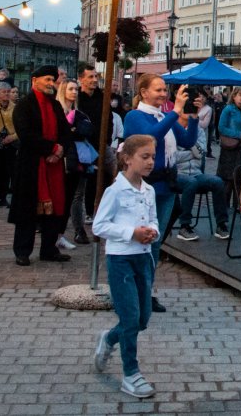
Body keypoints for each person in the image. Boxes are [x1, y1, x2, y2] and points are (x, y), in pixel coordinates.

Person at [92, 134, 160, 399]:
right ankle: (131, 374)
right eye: (145, 157)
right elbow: (99, 225)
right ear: (127, 158)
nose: (150, 162)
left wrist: (151, 231)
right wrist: (130, 232)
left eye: (153, 157)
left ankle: (108, 338)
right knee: (130, 318)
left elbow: (154, 219)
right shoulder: (115, 191)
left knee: (142, 319)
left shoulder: (150, 190)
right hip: (121, 260)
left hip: (144, 259)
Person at [124, 75, 201, 308]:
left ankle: (145, 292)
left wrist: (194, 117)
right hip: (143, 187)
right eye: (158, 90)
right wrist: (175, 111)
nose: (163, 94)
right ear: (144, 92)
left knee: (155, 242)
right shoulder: (134, 116)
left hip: (165, 187)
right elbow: (151, 137)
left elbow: (187, 141)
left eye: (164, 90)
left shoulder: (163, 116)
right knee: (139, 240)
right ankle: (131, 291)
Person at [9, 65, 76, 267]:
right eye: (47, 79)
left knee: (55, 208)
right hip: (31, 164)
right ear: (34, 80)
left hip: (53, 165)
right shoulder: (24, 105)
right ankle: (22, 251)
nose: (50, 84)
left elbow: (65, 132)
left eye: (52, 80)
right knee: (27, 211)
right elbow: (26, 134)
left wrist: (60, 150)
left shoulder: (55, 106)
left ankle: (49, 249)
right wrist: (51, 148)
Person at [174, 91, 230, 242]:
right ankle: (184, 225)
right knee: (190, 184)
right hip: (177, 174)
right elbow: (173, 156)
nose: (188, 111)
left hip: (197, 173)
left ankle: (221, 224)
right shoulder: (172, 129)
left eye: (192, 108)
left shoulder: (197, 129)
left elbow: (201, 153)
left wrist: (187, 146)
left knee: (217, 182)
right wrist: (191, 147)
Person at [58, 79, 96, 246]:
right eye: (71, 89)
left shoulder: (79, 112)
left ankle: (78, 230)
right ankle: (57, 233)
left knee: (78, 194)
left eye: (76, 89)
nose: (74, 92)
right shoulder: (58, 111)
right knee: (63, 195)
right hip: (63, 156)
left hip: (80, 157)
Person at [216, 87, 241, 195]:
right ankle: (225, 205)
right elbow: (221, 128)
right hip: (231, 148)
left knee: (240, 177)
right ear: (234, 96)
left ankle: (237, 205)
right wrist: (237, 135)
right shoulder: (228, 109)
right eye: (240, 95)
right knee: (228, 177)